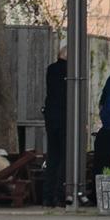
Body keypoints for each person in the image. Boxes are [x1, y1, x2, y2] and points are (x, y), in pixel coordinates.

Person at [42, 47, 68, 208]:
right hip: (65, 118)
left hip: (51, 118)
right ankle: (60, 195)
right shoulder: (71, 71)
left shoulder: (51, 70)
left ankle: (48, 196)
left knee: (53, 156)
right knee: (65, 157)